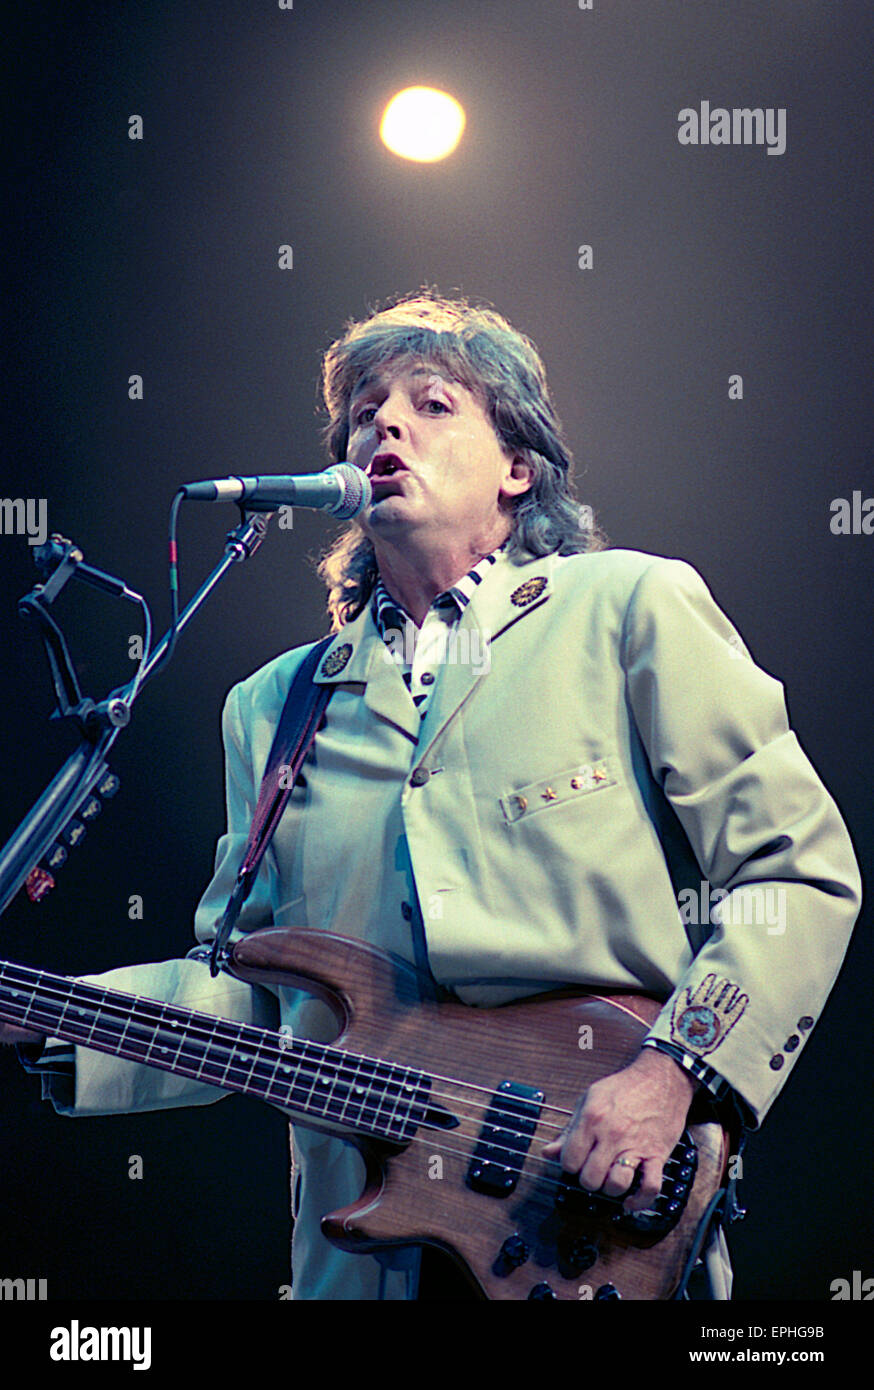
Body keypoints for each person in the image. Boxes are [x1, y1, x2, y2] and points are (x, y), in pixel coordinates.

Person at [1, 292, 861, 1300]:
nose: (386, 425)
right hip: (362, 1267)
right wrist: (48, 1017)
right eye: (365, 411)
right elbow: (251, 990)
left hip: (593, 1224)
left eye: (433, 403)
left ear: (517, 468)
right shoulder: (272, 707)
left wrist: (672, 1073)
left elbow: (793, 869)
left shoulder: (627, 608)